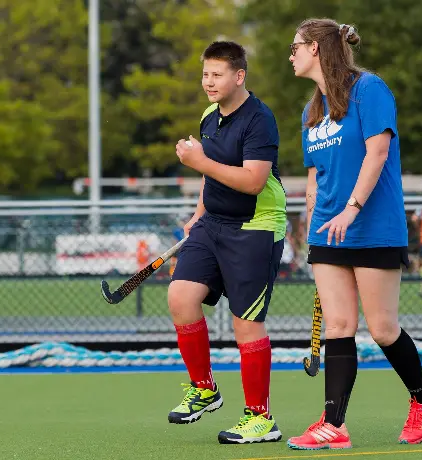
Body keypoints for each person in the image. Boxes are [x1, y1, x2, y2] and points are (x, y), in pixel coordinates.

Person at [285, 18, 422, 450]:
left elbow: (378, 151)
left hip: (373, 226)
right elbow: (316, 173)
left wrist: (351, 209)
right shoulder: (310, 111)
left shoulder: (368, 90)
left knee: (383, 329)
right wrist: (312, 213)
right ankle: (334, 423)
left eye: (295, 46)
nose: (291, 54)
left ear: (316, 48)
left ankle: (421, 401)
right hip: (327, 232)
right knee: (338, 325)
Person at [168, 40, 286, 445]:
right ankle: (204, 389)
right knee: (181, 298)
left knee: (245, 324)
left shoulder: (260, 119)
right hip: (213, 223)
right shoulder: (208, 115)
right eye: (205, 74)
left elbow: (253, 180)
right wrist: (197, 215)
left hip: (255, 226)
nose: (208, 82)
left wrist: (199, 161)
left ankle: (261, 419)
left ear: (239, 76)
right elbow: (211, 175)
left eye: (217, 74)